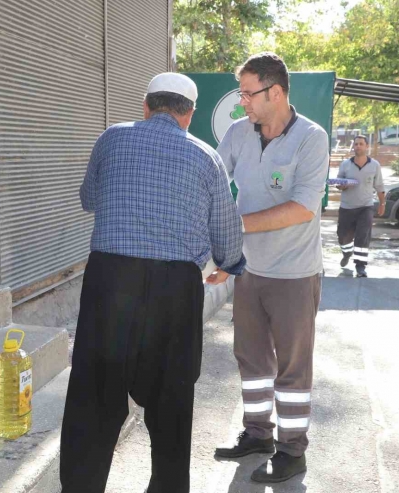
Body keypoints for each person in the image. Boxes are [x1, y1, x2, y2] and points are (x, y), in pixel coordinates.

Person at [60, 72, 246, 493]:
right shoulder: (205, 157)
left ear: (146, 105)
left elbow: (89, 198)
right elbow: (228, 237)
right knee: (171, 406)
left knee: (94, 401)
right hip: (174, 291)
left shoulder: (111, 138)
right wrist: (232, 265)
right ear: (190, 115)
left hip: (109, 281)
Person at [210, 52, 328, 484]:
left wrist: (232, 226)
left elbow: (302, 209)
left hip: (295, 275)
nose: (242, 102)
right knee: (251, 357)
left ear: (274, 92)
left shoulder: (311, 139)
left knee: (292, 367)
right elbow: (214, 178)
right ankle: (258, 434)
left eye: (247, 93)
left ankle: (293, 451)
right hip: (249, 271)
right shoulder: (240, 133)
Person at [336, 135, 385, 277]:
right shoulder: (345, 164)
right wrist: (343, 185)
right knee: (343, 236)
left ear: (366, 146)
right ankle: (346, 252)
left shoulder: (374, 165)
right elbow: (339, 184)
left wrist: (382, 203)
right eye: (356, 144)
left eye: (361, 144)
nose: (358, 146)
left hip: (366, 207)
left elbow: (380, 186)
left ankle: (360, 266)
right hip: (347, 207)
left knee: (363, 237)